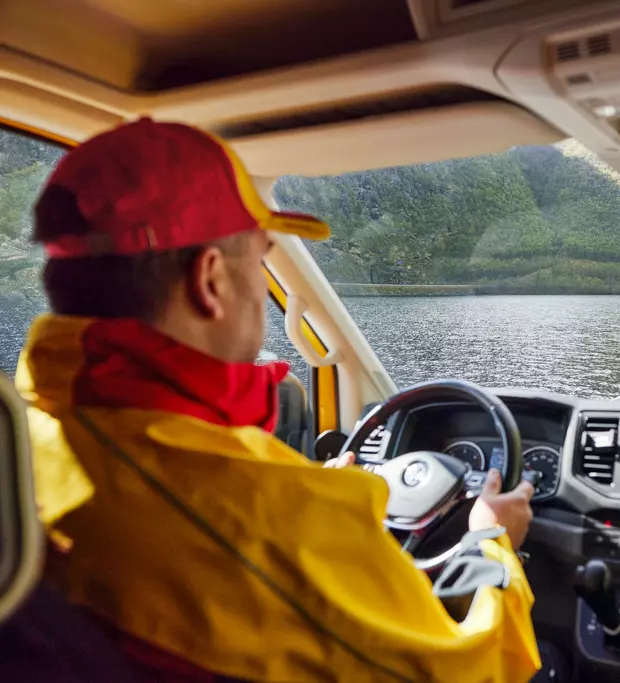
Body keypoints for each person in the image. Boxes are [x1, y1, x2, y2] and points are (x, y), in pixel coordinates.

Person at [18, 118, 539, 682]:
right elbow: (477, 670)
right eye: (260, 259)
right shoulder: (276, 521)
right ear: (211, 280)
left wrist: (305, 494)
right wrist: (491, 540)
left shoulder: (27, 432)